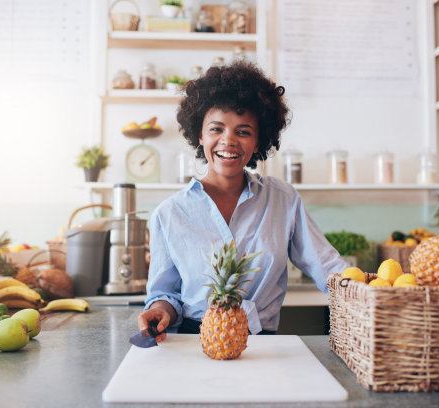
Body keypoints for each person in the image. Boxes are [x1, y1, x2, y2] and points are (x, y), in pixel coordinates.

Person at [138, 61, 348, 342]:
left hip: (264, 342)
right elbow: (165, 294)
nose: (229, 141)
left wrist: (374, 289)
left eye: (243, 131)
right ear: (200, 135)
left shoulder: (282, 200)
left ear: (259, 142)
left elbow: (327, 266)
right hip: (194, 341)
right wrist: (160, 310)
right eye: (216, 129)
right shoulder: (169, 213)